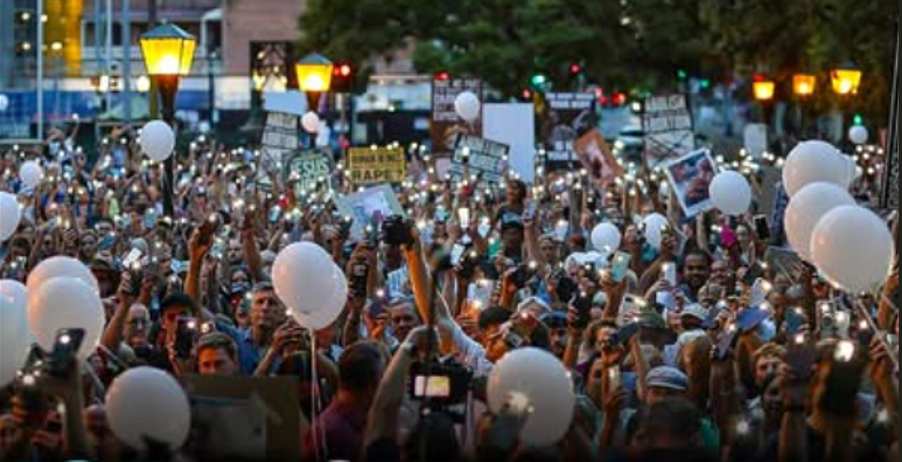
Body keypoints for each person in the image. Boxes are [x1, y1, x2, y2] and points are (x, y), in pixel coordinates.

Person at [305, 341, 387, 461]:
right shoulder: (334, 432)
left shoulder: (358, 420)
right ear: (372, 386)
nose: (385, 386)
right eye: (383, 379)